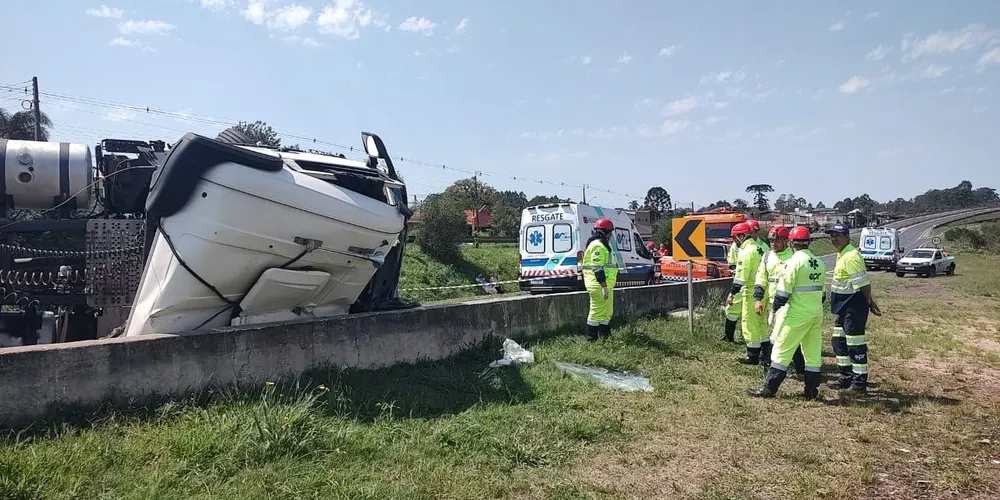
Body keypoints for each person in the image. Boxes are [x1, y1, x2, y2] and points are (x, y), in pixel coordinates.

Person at [748, 226, 827, 399]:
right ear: (809, 242)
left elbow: (782, 293)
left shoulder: (792, 263)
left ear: (790, 242)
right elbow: (822, 295)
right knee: (812, 354)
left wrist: (774, 310)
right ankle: (811, 391)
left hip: (796, 314)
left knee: (780, 351)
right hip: (815, 314)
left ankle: (769, 389)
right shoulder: (819, 264)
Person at [825, 223, 882, 392]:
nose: (834, 239)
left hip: (854, 305)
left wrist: (869, 302)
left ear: (847, 237)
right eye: (832, 236)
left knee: (855, 345)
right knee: (838, 341)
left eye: (838, 235)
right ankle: (846, 377)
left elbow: (864, 284)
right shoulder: (842, 254)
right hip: (843, 306)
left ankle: (859, 383)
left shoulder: (851, 256)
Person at [753, 225, 804, 374]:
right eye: (771, 241)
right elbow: (761, 279)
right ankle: (801, 368)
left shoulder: (793, 257)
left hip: (789, 304)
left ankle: (769, 367)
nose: (773, 244)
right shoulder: (767, 257)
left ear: (786, 241)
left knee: (777, 336)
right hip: (772, 303)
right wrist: (758, 299)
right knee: (787, 336)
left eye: (776, 241)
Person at [727, 222, 768, 364]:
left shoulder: (746, 252)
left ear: (741, 236)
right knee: (761, 323)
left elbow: (740, 277)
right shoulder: (760, 249)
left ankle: (752, 356)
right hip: (764, 291)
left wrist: (732, 293)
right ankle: (765, 354)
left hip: (751, 292)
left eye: (734, 238)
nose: (734, 241)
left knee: (749, 323)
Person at [581, 218, 619, 342]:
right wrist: (603, 286)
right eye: (610, 233)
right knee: (597, 311)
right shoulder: (598, 245)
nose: (611, 236)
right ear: (606, 232)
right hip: (598, 284)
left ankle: (605, 337)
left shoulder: (601, 244)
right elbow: (597, 267)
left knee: (607, 311)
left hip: (605, 284)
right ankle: (591, 339)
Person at [722, 227, 742, 342]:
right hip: (739, 282)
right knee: (731, 308)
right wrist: (734, 269)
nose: (734, 240)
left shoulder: (759, 247)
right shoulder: (735, 246)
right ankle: (728, 335)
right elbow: (731, 261)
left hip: (752, 286)